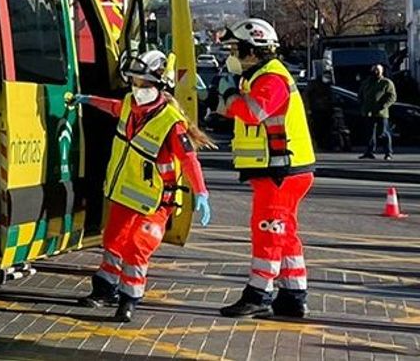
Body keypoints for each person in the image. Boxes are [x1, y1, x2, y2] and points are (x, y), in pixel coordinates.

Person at [71, 49, 213, 323]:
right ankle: (104, 289)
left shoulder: (171, 122)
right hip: (125, 193)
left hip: (157, 200)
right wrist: (87, 100)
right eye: (135, 82)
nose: (138, 89)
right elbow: (113, 106)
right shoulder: (128, 104)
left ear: (160, 86)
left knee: (138, 246)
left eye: (144, 84)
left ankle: (128, 300)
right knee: (113, 241)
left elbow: (189, 159)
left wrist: (202, 193)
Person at [215, 18, 316, 319]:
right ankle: (293, 295)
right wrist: (224, 98)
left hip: (280, 171)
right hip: (280, 170)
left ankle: (258, 294)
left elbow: (252, 112)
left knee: (267, 232)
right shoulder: (258, 76)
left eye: (235, 49)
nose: (231, 56)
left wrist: (231, 96)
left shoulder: (271, 78)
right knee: (285, 234)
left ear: (252, 50)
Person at [358, 64, 396, 161]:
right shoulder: (366, 82)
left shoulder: (386, 83)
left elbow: (392, 97)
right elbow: (361, 94)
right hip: (368, 111)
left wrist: (383, 105)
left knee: (383, 133)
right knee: (370, 133)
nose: (376, 72)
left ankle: (388, 153)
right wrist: (362, 104)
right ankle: (369, 152)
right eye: (374, 70)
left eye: (378, 70)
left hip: (381, 112)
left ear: (382, 71)